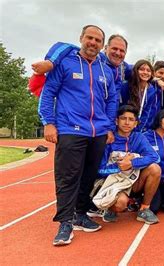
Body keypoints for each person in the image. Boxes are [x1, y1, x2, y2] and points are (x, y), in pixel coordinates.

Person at [38, 25, 117, 246]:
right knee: (67, 177)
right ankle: (65, 222)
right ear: (81, 38)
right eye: (90, 38)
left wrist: (109, 126)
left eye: (98, 40)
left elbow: (112, 100)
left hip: (98, 132)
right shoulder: (65, 62)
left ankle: (81, 213)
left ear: (103, 45)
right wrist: (48, 123)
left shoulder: (106, 69)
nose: (93, 42)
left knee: (89, 175)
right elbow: (48, 92)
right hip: (69, 129)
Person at [97, 105, 161, 224]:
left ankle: (144, 209)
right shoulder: (108, 139)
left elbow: (155, 157)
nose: (127, 122)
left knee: (155, 169)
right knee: (121, 204)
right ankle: (110, 208)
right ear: (116, 121)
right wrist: (119, 167)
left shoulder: (139, 137)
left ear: (136, 123)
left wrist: (132, 163)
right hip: (112, 182)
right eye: (123, 118)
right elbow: (100, 170)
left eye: (131, 120)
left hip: (132, 181)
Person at [31, 34, 131, 105]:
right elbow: (67, 46)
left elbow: (139, 69)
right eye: (114, 49)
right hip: (83, 111)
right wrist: (50, 62)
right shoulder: (96, 58)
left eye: (122, 51)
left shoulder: (123, 67)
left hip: (111, 113)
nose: (118, 53)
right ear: (105, 48)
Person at [120, 59, 159, 132]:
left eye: (148, 70)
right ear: (136, 71)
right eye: (142, 69)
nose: (145, 72)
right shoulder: (126, 86)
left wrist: (139, 129)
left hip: (137, 126)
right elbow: (121, 106)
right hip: (122, 124)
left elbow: (146, 113)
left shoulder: (151, 90)